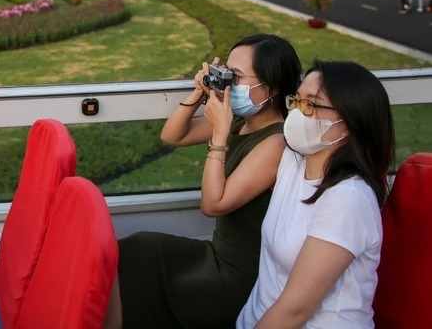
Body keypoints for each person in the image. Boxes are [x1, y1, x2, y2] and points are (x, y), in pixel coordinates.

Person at [114, 34, 302, 329]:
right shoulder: (241, 121)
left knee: (140, 279)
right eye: (225, 73)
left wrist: (219, 135)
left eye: (235, 77)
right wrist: (199, 94)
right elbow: (173, 135)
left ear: (272, 87)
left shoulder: (276, 142)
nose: (227, 85)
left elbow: (213, 204)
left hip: (237, 276)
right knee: (139, 249)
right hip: (215, 255)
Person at [237, 60, 394, 328]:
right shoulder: (291, 162)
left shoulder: (348, 198)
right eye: (296, 100)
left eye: (311, 104)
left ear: (349, 123)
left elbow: (295, 310)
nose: (297, 113)